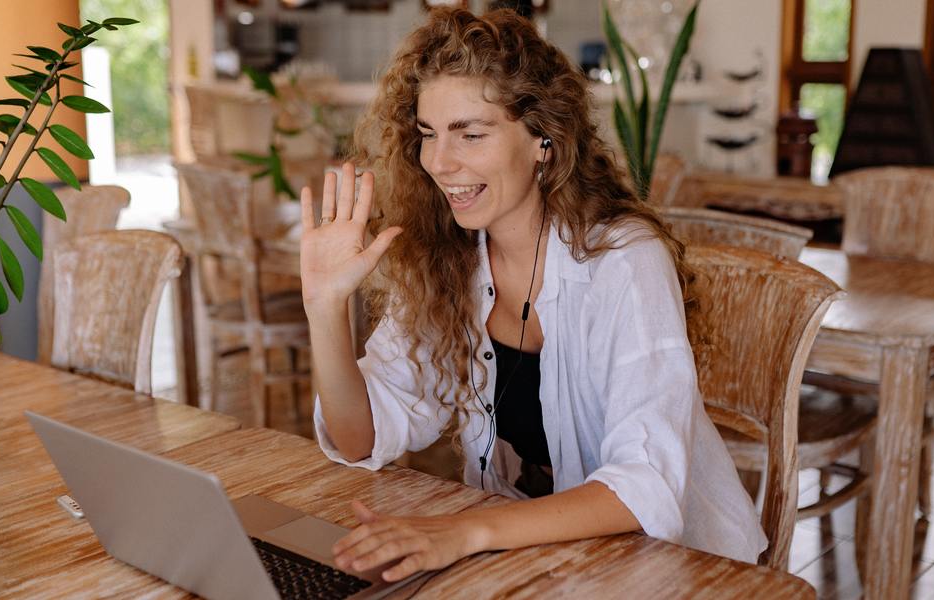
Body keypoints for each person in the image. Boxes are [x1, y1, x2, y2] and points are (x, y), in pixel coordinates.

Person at [297, 7, 766, 584]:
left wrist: (466, 533)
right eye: (428, 134)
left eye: (470, 133)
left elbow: (645, 487)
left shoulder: (623, 261)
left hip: (683, 568)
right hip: (538, 558)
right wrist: (324, 308)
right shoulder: (450, 260)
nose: (440, 163)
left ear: (544, 138)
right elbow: (359, 435)